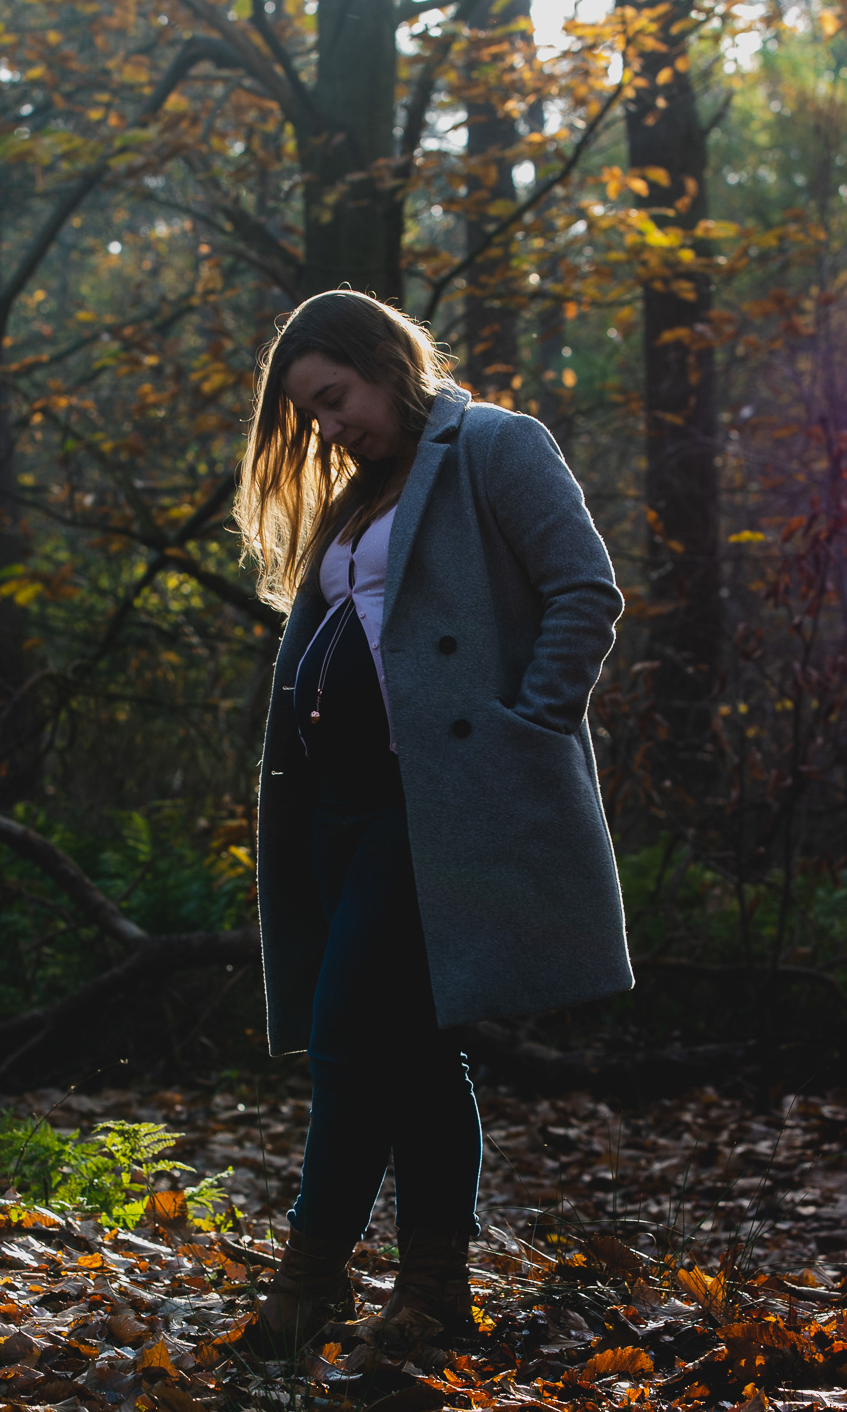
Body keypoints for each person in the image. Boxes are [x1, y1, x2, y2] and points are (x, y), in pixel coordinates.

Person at [234, 289, 632, 1358]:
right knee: (407, 1052)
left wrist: (522, 732)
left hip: (437, 807)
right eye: (309, 414)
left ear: (385, 363)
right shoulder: (362, 492)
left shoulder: (496, 446)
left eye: (335, 397)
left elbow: (583, 592)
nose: (327, 426)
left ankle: (308, 1281)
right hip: (341, 808)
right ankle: (429, 1294)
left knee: (350, 1043)